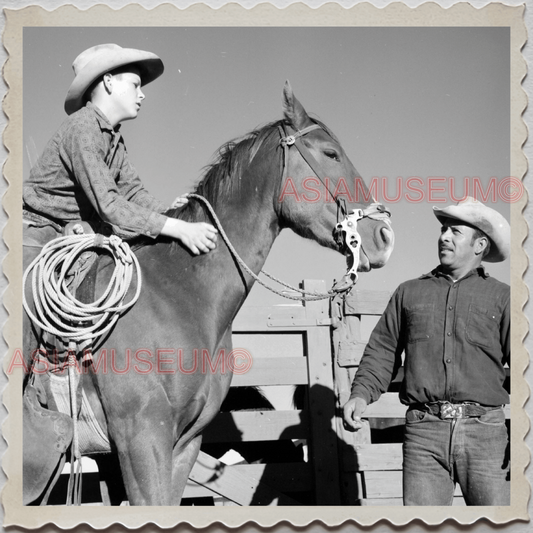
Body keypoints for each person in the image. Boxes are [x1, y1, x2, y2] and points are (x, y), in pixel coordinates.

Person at [343, 197, 510, 506]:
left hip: (486, 433)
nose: (444, 236)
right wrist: (360, 394)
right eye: (443, 229)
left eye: (455, 231)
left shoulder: (502, 297)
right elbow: (383, 350)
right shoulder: (409, 292)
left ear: (480, 244)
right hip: (424, 432)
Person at [23, 43, 218, 258]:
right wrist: (179, 228)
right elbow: (109, 204)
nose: (142, 95)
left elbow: (133, 192)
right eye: (135, 85)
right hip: (38, 230)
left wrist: (170, 212)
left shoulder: (114, 138)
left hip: (73, 229)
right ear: (108, 82)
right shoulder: (83, 127)